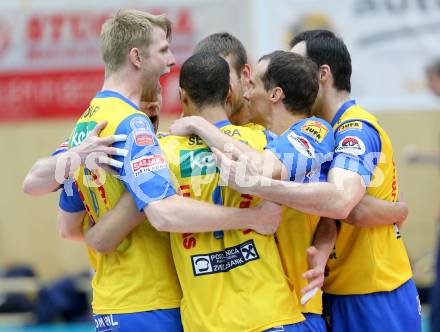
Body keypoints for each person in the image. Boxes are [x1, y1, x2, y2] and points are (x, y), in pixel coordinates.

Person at [48, 10, 281, 332]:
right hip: (156, 302)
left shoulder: (87, 129)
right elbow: (159, 214)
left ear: (182, 98)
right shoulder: (138, 130)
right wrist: (254, 218)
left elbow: (65, 221)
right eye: (163, 50)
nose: (171, 59)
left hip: (116, 302)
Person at [208, 30, 419, 332]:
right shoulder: (317, 132)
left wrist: (257, 185)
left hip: (374, 289)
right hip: (335, 287)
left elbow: (344, 202)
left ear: (322, 74)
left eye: (298, 63)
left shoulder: (354, 128)